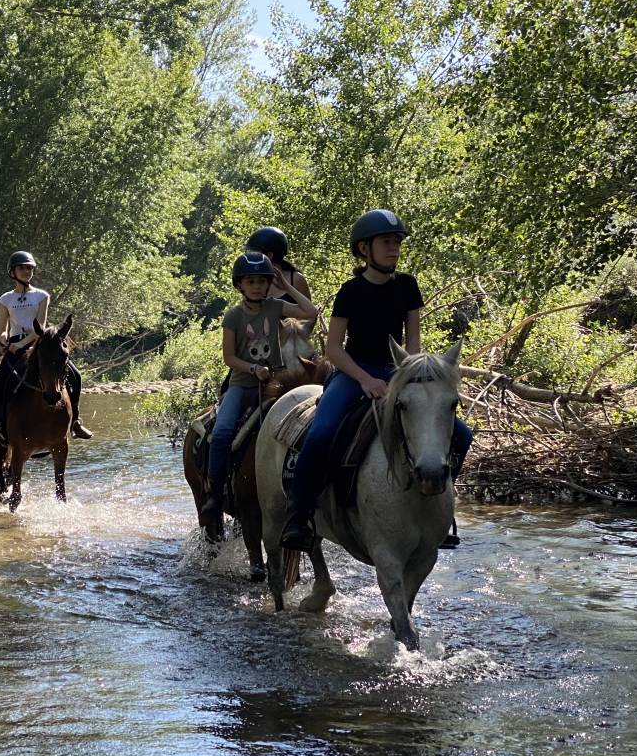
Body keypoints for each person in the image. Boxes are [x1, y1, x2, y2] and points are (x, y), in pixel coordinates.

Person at [279, 209, 472, 551]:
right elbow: (333, 348)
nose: (394, 248)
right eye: (386, 242)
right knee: (321, 433)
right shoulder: (350, 291)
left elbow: (413, 345)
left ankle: (438, 508)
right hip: (353, 373)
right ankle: (299, 514)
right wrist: (365, 379)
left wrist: (412, 376)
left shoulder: (408, 286)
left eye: (397, 242)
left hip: (399, 372)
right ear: (364, 249)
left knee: (461, 434)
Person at [200, 252, 317, 522]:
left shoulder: (276, 307)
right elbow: (229, 358)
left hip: (274, 384)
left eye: (262, 281)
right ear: (239, 285)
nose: (256, 286)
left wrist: (286, 286)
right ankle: (215, 494)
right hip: (242, 386)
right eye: (250, 281)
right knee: (222, 431)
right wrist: (253, 368)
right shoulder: (233, 317)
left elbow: (310, 312)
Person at [0, 250, 93, 444]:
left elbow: (39, 327)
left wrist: (20, 345)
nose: (26, 271)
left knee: (75, 375)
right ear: (12, 272)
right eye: (22, 268)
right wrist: (4, 342)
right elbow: (3, 329)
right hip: (14, 345)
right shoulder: (6, 299)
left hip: (39, 344)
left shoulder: (41, 296)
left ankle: (75, 421)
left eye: (29, 268)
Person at [246, 226, 318, 320]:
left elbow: (310, 318)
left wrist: (292, 329)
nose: (251, 258)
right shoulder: (253, 281)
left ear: (269, 255)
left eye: (255, 253)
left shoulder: (296, 279)